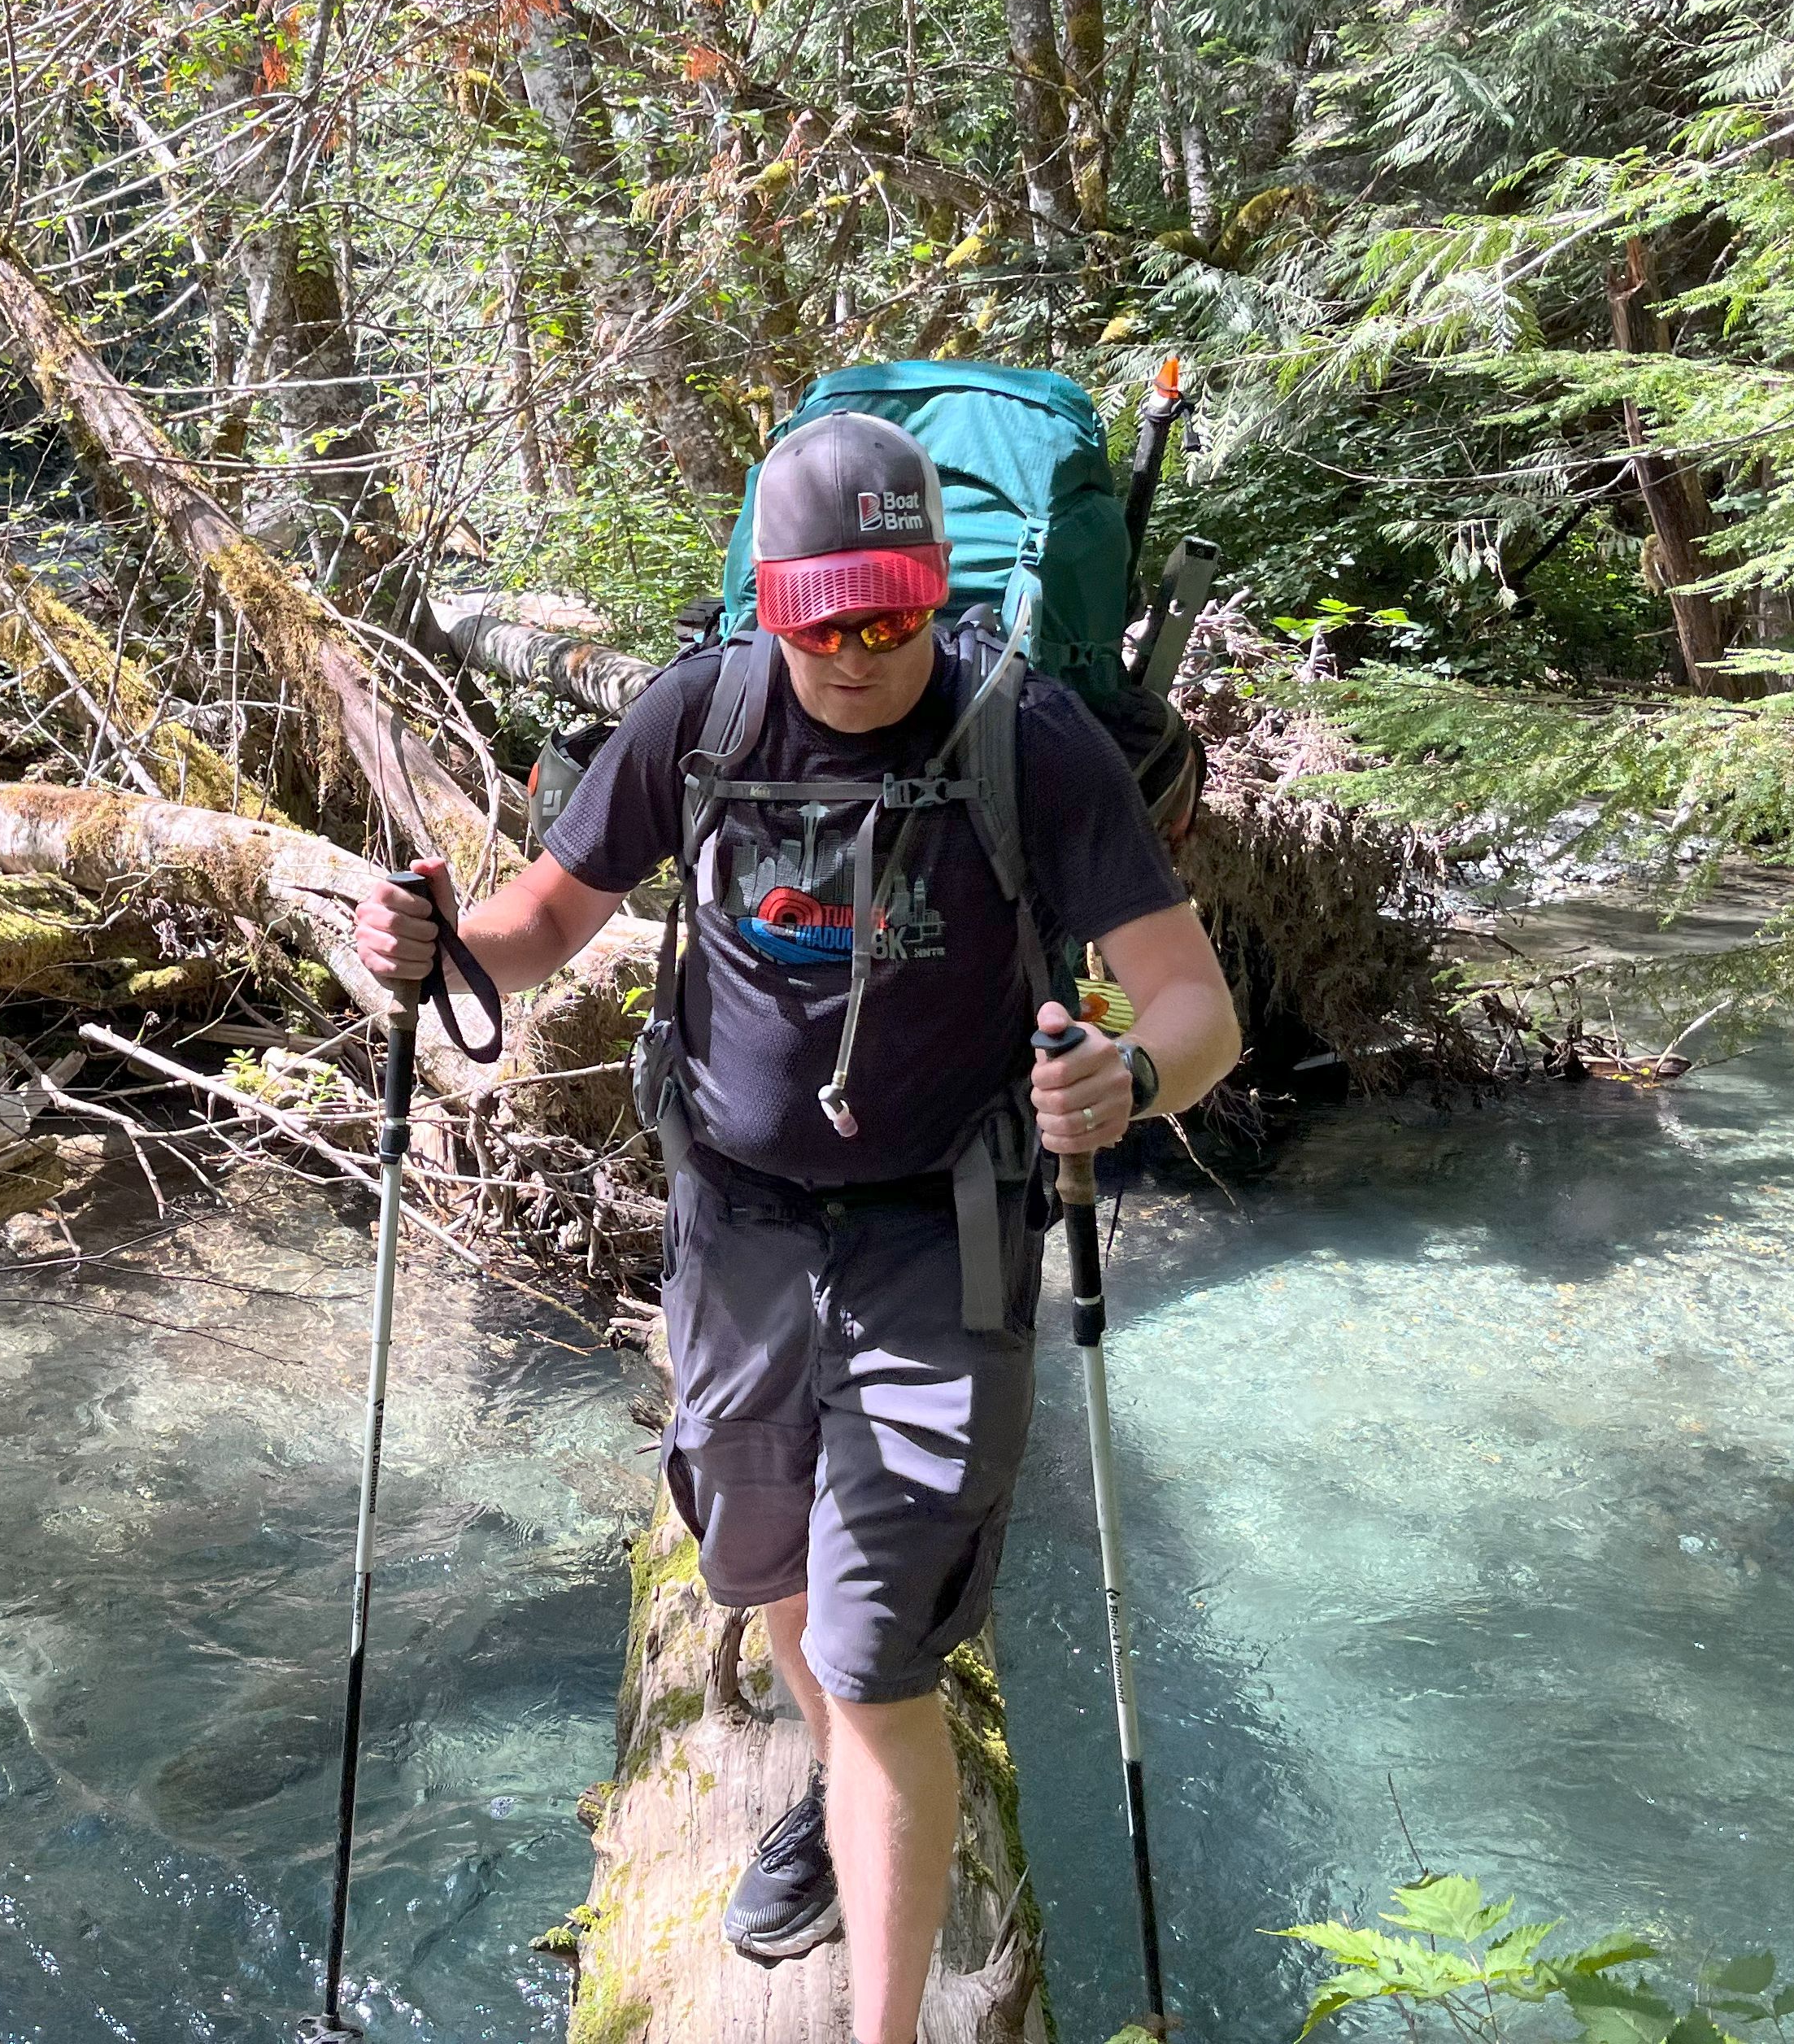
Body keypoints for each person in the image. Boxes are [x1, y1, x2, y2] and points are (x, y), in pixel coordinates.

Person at [356, 411, 1240, 2042]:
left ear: (932, 593)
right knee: (759, 1570)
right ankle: (828, 1792)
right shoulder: (702, 715)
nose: (857, 652)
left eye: (891, 616)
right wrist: (434, 954)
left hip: (942, 1239)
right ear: (768, 599)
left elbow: (1198, 1009)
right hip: (738, 1229)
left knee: (879, 1640)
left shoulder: (1027, 739)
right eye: (825, 619)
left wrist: (1131, 1079)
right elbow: (548, 918)